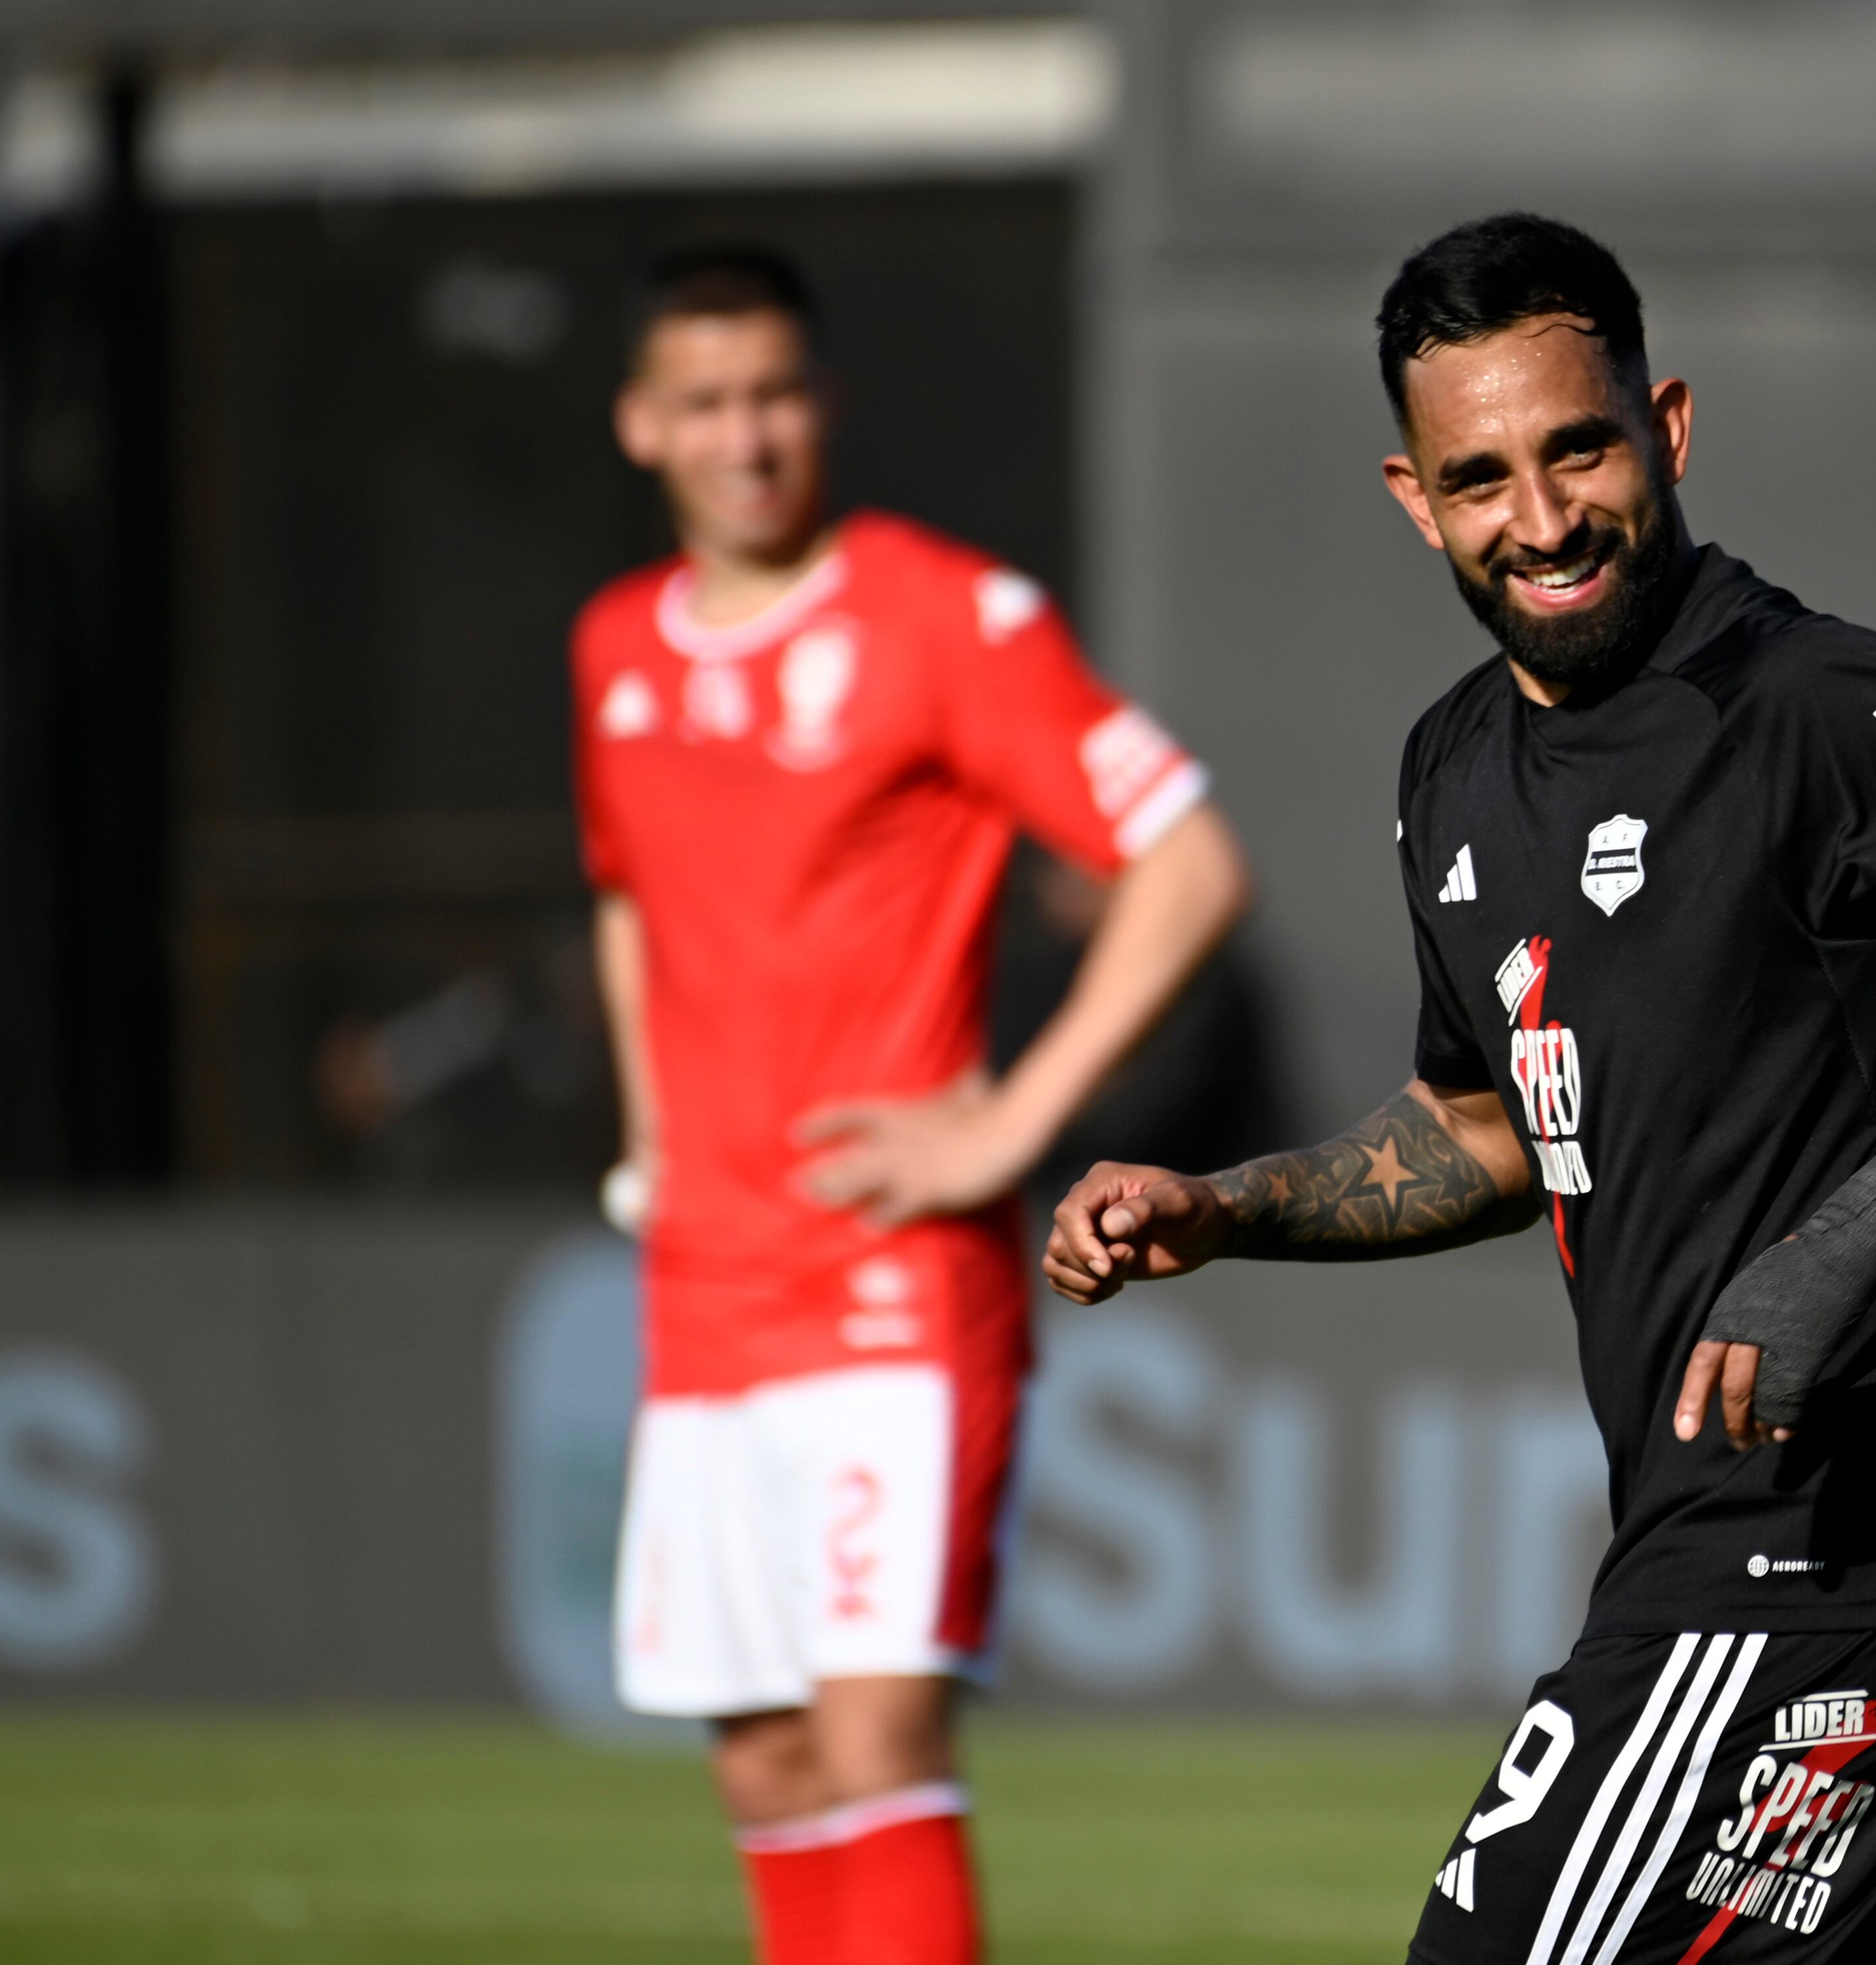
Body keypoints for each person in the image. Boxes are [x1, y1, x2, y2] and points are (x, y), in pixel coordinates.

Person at [1045, 213, 1876, 1964]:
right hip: (1736, 1533)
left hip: (1832, 1541)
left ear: (1667, 427)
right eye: (1481, 476)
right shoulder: (1450, 770)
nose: (1544, 518)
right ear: (1415, 499)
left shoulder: (1813, 700)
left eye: (1579, 449)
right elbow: (1487, 1128)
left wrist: (1851, 1232)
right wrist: (1230, 1205)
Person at [576, 242, 1250, 1965]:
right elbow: (633, 899)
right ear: (642, 425)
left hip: (893, 1280)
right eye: (708, 403)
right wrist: (656, 1139)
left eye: (778, 395)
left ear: (827, 405)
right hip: (705, 1292)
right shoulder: (614, 653)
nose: (749, 437)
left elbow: (1186, 859)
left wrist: (1013, 1128)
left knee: (877, 1738)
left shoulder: (946, 616)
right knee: (769, 1763)